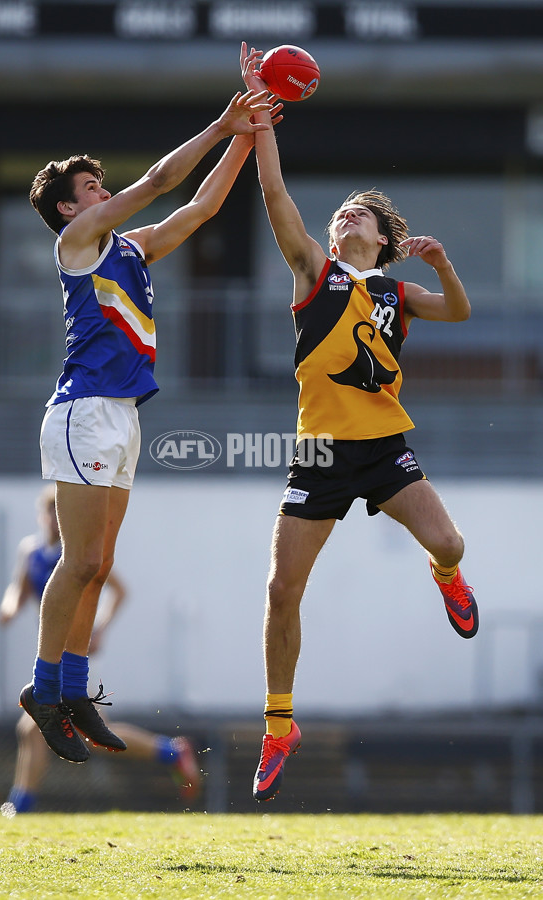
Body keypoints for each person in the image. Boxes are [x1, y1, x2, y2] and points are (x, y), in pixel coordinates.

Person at [240, 43, 479, 802]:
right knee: (282, 592)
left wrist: (440, 266)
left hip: (382, 447)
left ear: (383, 238)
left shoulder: (397, 292)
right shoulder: (316, 270)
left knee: (449, 542)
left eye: (362, 213)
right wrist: (260, 118)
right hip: (317, 449)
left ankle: (448, 579)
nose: (347, 215)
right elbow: (275, 193)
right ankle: (280, 727)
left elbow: (460, 311)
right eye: (342, 209)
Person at [24, 87, 280, 764]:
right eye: (90, 186)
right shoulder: (79, 242)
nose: (102, 189)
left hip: (122, 416)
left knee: (99, 565)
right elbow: (164, 179)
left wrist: (246, 138)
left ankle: (72, 688)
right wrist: (221, 122)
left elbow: (199, 208)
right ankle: (43, 690)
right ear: (70, 209)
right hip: (83, 412)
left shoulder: (129, 247)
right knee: (80, 561)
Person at [0, 486, 201, 814]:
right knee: (59, 730)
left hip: (74, 652)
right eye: (47, 512)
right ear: (40, 515)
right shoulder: (31, 552)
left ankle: (18, 808)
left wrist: (100, 628)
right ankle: (171, 752)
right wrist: (7, 608)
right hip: (50, 653)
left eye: (57, 512)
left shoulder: (75, 555)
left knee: (39, 727)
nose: (52, 519)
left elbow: (117, 590)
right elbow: (18, 591)